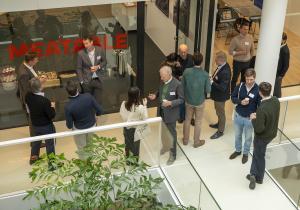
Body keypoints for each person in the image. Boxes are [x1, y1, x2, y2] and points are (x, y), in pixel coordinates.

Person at [148, 66, 184, 165]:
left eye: (163, 76)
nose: (161, 78)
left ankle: (173, 155)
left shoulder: (177, 84)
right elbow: (159, 90)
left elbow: (181, 100)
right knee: (163, 131)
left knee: (172, 134)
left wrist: (170, 103)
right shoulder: (163, 81)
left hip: (171, 114)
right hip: (161, 112)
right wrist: (155, 95)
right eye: (161, 76)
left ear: (169, 74)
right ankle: (165, 146)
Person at [247, 82, 280, 190]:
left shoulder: (262, 109)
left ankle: (258, 177)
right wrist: (259, 117)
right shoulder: (275, 100)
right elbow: (272, 114)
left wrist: (253, 118)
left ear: (260, 93)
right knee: (257, 154)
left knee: (259, 155)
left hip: (262, 137)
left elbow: (259, 128)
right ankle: (253, 174)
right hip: (272, 133)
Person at [64, 81, 102, 159]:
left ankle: (85, 166)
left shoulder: (68, 106)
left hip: (79, 129)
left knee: (81, 148)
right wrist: (96, 116)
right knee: (90, 144)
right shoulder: (88, 96)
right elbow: (100, 110)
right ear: (77, 89)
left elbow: (69, 125)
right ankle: (91, 162)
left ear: (67, 93)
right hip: (92, 125)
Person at [229, 69, 261, 164]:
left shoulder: (258, 89)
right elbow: (233, 98)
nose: (249, 81)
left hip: (249, 119)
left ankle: (246, 153)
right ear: (245, 78)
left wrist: (255, 113)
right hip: (238, 116)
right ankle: (238, 151)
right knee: (237, 135)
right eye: (247, 79)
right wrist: (240, 102)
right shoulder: (240, 86)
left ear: (254, 78)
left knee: (248, 138)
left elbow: (260, 105)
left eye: (251, 79)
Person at [182, 52, 211, 147]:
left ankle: (185, 140)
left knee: (187, 120)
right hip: (199, 102)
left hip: (188, 100)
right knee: (198, 122)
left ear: (193, 61)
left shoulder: (186, 71)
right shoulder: (205, 74)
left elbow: (182, 86)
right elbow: (208, 90)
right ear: (201, 62)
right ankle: (196, 142)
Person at [25, 78, 56, 165]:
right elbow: (52, 115)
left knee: (36, 142)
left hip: (35, 124)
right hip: (46, 126)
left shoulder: (28, 96)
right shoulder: (45, 101)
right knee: (50, 144)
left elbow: (28, 110)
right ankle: (52, 164)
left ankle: (33, 159)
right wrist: (53, 107)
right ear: (41, 87)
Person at [17, 51, 42, 137]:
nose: (37, 61)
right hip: (30, 100)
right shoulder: (23, 73)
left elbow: (31, 80)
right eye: (36, 60)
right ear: (30, 61)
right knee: (32, 120)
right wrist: (40, 82)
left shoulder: (28, 66)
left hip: (35, 96)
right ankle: (34, 141)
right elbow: (26, 89)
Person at [76, 35, 107, 105]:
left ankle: (96, 115)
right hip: (86, 81)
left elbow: (104, 62)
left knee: (98, 102)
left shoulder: (100, 50)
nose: (85, 45)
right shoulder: (80, 53)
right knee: (88, 102)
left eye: (87, 43)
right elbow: (79, 68)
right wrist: (81, 82)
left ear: (91, 42)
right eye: (84, 44)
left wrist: (98, 66)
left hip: (98, 79)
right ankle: (91, 115)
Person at [120, 87, 148, 160]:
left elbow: (122, 116)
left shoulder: (123, 104)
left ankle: (128, 160)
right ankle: (134, 162)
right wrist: (145, 105)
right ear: (137, 95)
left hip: (126, 128)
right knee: (135, 146)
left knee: (127, 144)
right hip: (136, 129)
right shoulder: (140, 107)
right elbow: (145, 118)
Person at [210, 51, 231, 139]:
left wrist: (212, 82)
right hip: (217, 95)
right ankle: (219, 124)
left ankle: (220, 131)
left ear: (221, 60)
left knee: (221, 113)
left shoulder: (225, 71)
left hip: (220, 96)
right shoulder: (222, 66)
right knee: (218, 111)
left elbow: (222, 87)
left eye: (216, 59)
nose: (215, 60)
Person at [229, 21, 255, 93]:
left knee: (244, 79)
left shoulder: (250, 37)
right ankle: (233, 93)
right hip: (237, 63)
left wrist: (250, 57)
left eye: (247, 29)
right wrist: (240, 53)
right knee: (235, 79)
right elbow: (230, 52)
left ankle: (241, 92)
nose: (246, 31)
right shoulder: (235, 39)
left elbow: (252, 49)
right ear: (240, 29)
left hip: (247, 63)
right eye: (244, 29)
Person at [176, 44, 194, 123]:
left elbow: (195, 71)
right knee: (181, 101)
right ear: (179, 51)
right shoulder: (176, 59)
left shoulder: (192, 59)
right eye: (181, 52)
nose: (183, 54)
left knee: (191, 101)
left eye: (185, 52)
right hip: (180, 84)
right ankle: (181, 116)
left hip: (190, 84)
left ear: (187, 51)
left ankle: (191, 118)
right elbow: (173, 73)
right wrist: (178, 76)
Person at [274, 32, 290, 98]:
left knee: (277, 90)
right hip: (275, 72)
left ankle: (278, 101)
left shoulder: (285, 51)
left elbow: (286, 65)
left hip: (278, 74)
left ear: (284, 40)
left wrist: (281, 75)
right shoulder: (279, 46)